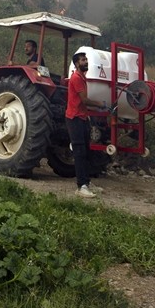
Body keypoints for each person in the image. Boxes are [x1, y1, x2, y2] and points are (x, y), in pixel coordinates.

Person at [66, 46, 108, 197]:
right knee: (79, 152)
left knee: (87, 151)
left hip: (82, 118)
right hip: (74, 118)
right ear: (77, 64)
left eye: (86, 60)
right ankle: (81, 186)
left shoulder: (82, 77)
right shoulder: (76, 78)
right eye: (83, 60)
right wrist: (101, 104)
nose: (86, 62)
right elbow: (84, 100)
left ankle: (87, 183)